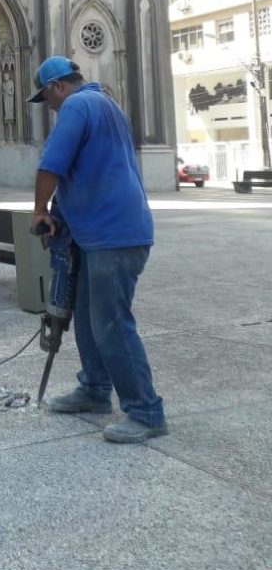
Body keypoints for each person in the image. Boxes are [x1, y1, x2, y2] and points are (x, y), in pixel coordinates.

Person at [29, 55, 167, 444]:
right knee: (90, 320)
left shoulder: (76, 106)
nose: (50, 108)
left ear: (57, 86)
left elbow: (50, 166)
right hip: (103, 232)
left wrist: (39, 211)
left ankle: (146, 411)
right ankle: (94, 388)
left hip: (113, 234)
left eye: (47, 98)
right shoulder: (106, 104)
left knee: (111, 323)